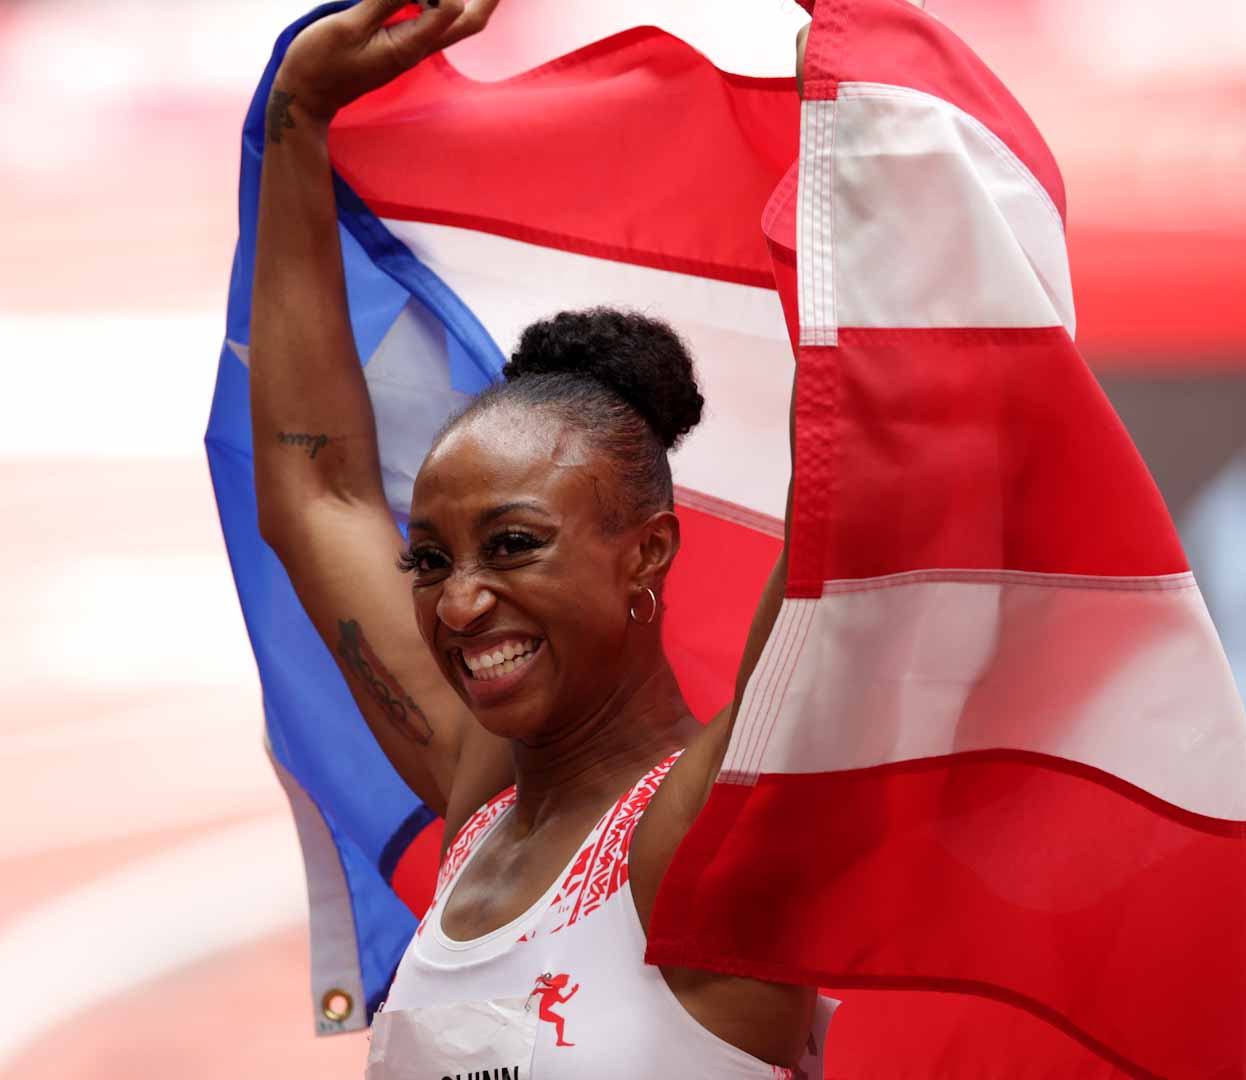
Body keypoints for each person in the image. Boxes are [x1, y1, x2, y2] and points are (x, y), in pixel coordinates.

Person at [249, 0, 819, 1074]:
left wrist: (852, 153)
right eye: (431, 559)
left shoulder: (709, 833)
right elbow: (315, 489)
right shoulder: (479, 805)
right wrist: (299, 118)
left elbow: (848, 498)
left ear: (648, 550)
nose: (457, 605)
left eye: (512, 546)